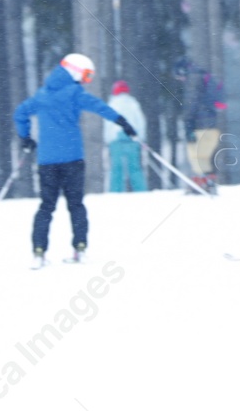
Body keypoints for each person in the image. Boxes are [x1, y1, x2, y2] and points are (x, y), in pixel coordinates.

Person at [14, 53, 137, 266]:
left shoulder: (42, 95)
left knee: (46, 206)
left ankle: (39, 251)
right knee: (76, 205)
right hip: (73, 159)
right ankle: (80, 249)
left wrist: (25, 138)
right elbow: (100, 107)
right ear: (75, 71)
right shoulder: (75, 93)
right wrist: (122, 122)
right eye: (86, 75)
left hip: (47, 162)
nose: (85, 81)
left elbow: (20, 113)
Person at [173, 58, 226, 193]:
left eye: (179, 76)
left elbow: (192, 102)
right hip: (212, 125)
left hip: (200, 126)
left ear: (182, 71)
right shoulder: (202, 76)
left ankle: (202, 185)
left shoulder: (193, 79)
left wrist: (188, 124)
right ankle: (207, 183)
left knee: (197, 156)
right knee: (203, 157)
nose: (180, 80)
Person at [103, 81, 149, 193]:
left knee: (116, 169)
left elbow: (108, 124)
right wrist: (141, 138)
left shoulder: (112, 104)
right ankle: (141, 191)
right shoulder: (133, 104)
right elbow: (141, 122)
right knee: (135, 168)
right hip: (132, 139)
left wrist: (107, 140)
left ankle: (115, 192)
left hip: (116, 140)